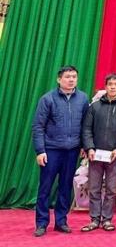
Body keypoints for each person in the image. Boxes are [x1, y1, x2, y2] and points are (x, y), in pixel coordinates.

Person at [32, 65, 89, 237]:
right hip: (51, 151)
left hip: (72, 151)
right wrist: (40, 151)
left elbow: (85, 125)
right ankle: (42, 223)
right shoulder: (47, 99)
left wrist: (84, 146)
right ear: (59, 79)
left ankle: (61, 222)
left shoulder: (83, 98)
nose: (71, 80)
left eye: (74, 77)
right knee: (45, 188)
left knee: (65, 187)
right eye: (67, 77)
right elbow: (38, 126)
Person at [80, 73, 116, 232]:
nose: (113, 87)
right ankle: (94, 219)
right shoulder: (94, 106)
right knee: (94, 188)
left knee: (111, 189)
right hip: (95, 154)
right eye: (110, 84)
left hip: (114, 155)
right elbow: (86, 129)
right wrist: (89, 148)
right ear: (105, 86)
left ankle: (107, 219)